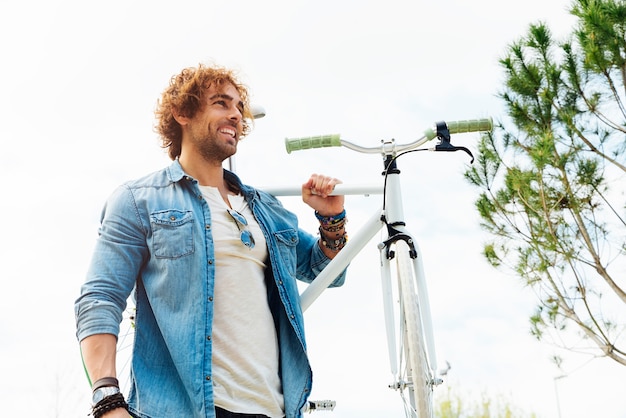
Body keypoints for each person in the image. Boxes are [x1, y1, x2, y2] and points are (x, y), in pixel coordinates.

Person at [74, 63, 349, 418]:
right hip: (182, 409)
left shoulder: (264, 207)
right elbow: (99, 299)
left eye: (238, 108)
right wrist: (108, 402)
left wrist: (332, 220)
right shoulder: (140, 201)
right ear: (182, 112)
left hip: (273, 408)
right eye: (221, 103)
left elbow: (327, 270)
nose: (235, 115)